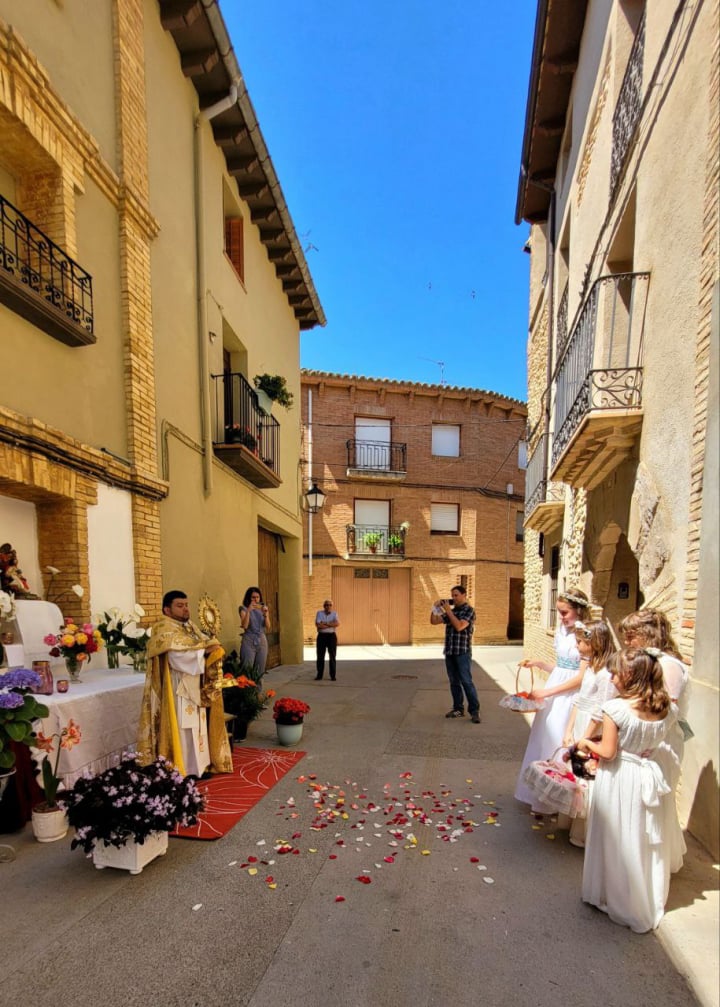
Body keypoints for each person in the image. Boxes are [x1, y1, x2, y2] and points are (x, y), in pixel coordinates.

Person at [578, 647, 682, 932]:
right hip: (648, 773)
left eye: (615, 673)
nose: (611, 678)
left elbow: (609, 752)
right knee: (641, 836)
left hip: (620, 775)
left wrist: (586, 744)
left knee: (615, 834)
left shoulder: (615, 709)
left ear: (631, 676)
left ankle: (612, 894)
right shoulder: (668, 709)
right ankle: (643, 894)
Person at [617, 608, 690, 872]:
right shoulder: (652, 661)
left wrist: (645, 743)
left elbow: (666, 709)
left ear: (648, 635)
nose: (627, 642)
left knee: (655, 799)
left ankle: (652, 863)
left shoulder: (669, 666)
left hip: (661, 741)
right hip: (648, 737)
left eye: (631, 636)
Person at [137, 590, 232, 778]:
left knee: (198, 727)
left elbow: (201, 644)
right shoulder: (163, 629)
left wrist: (211, 647)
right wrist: (204, 652)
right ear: (167, 609)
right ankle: (185, 768)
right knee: (184, 728)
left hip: (195, 683)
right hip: (178, 686)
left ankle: (201, 766)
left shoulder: (189, 626)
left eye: (186, 604)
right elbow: (176, 657)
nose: (185, 609)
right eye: (179, 606)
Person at [514, 588, 590, 810]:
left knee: (558, 739)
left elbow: (580, 677)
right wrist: (539, 664)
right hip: (555, 689)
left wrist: (546, 693)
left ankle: (557, 802)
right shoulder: (562, 631)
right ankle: (539, 794)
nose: (562, 617)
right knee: (542, 738)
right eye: (559, 612)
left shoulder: (585, 634)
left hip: (569, 696)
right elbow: (562, 668)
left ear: (578, 610)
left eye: (565, 612)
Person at [562, 619, 617, 846]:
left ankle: (588, 833)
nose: (577, 646)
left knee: (588, 774)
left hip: (593, 728)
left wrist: (585, 738)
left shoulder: (606, 674)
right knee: (575, 772)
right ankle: (573, 819)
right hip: (579, 721)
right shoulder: (590, 666)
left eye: (580, 642)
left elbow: (600, 709)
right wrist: (569, 730)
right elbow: (579, 699)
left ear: (594, 643)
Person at [430, 585, 480, 723]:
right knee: (454, 682)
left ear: (464, 595)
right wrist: (435, 609)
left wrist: (448, 611)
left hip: (462, 652)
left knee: (466, 682)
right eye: (452, 595)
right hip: (450, 652)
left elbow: (459, 626)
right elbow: (434, 621)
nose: (454, 598)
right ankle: (458, 709)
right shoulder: (452, 611)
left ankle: (474, 711)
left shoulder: (468, 611)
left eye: (456, 595)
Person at [239, 587, 270, 675]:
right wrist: (249, 611)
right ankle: (247, 688)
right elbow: (245, 626)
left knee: (260, 670)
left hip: (261, 639)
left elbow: (268, 626)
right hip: (249, 639)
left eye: (257, 597)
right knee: (247, 669)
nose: (256, 599)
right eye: (253, 597)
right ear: (249, 598)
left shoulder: (263, 609)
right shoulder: (243, 608)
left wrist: (266, 615)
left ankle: (258, 689)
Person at [315, 599, 339, 680]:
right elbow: (318, 625)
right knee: (320, 656)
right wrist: (331, 624)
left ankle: (333, 676)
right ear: (324, 606)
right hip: (321, 636)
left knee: (332, 656)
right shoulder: (319, 613)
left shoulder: (335, 614)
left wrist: (325, 623)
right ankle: (319, 675)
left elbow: (337, 623)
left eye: (329, 605)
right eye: (326, 605)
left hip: (331, 636)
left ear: (331, 606)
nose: (328, 606)